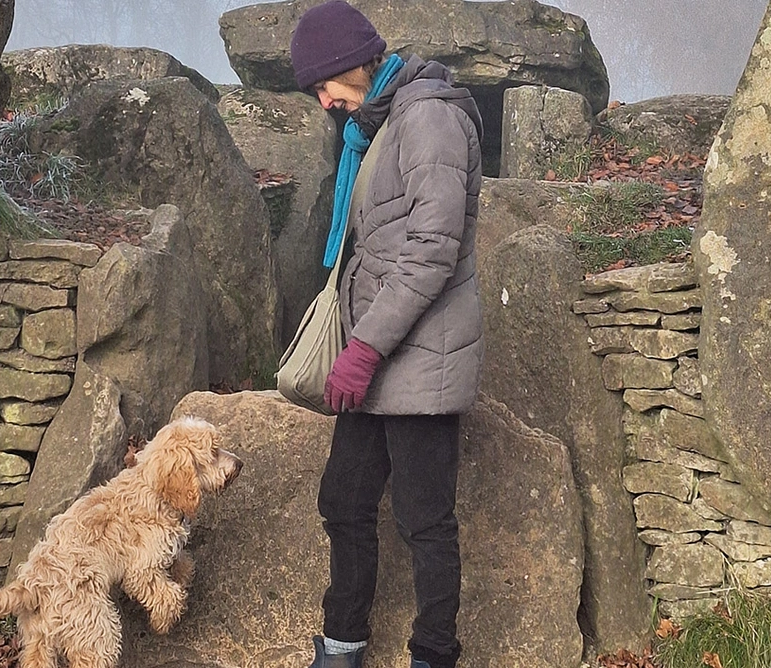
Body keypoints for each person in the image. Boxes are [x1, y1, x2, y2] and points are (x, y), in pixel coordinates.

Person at [288, 2, 484, 668]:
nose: (323, 101)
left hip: (418, 360)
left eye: (323, 84)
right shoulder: (380, 123)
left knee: (423, 522)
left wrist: (363, 348)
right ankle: (342, 647)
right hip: (375, 354)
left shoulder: (428, 116)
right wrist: (358, 346)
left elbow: (430, 249)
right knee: (342, 500)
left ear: (355, 60)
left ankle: (433, 655)